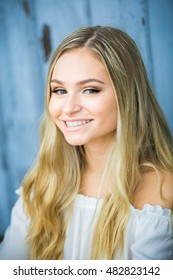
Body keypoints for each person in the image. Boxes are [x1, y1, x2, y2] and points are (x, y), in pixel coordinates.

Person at [0, 26, 173, 260]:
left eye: (90, 90)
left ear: (127, 94)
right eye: (59, 90)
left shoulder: (162, 190)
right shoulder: (43, 183)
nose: (69, 108)